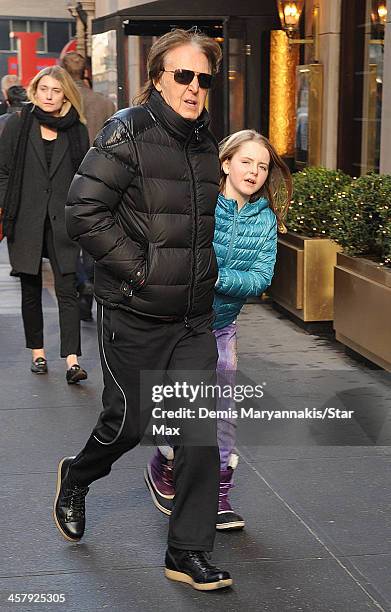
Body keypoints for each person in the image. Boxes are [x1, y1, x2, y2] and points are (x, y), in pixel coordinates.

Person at [53, 29, 233, 591]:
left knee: (197, 433)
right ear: (158, 76)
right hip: (133, 313)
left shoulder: (208, 145)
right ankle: (77, 477)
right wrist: (140, 271)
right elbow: (83, 211)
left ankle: (186, 552)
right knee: (129, 424)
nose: (195, 87)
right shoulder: (125, 131)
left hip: (192, 319)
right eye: (184, 75)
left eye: (204, 78)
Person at [145, 129, 292, 530]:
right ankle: (164, 462)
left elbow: (261, 278)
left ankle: (220, 495)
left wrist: (212, 275)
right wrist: (218, 274)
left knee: (222, 415)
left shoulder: (265, 219)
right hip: (178, 324)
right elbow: (181, 257)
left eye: (262, 166)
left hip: (221, 327)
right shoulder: (200, 204)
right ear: (225, 163)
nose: (255, 172)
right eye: (246, 162)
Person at [0, 66, 89, 383]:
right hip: (25, 219)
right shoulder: (18, 124)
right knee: (31, 289)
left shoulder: (76, 129)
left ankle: (72, 361)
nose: (49, 96)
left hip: (63, 221)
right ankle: (38, 354)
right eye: (44, 89)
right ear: (34, 91)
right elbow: (4, 171)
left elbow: (85, 177)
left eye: (56, 90)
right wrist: (9, 205)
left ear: (65, 93)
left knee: (68, 290)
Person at [61, 51, 116, 321]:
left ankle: (83, 283)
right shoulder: (105, 103)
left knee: (70, 238)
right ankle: (91, 281)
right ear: (86, 71)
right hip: (103, 178)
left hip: (68, 178)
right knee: (94, 234)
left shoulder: (63, 103)